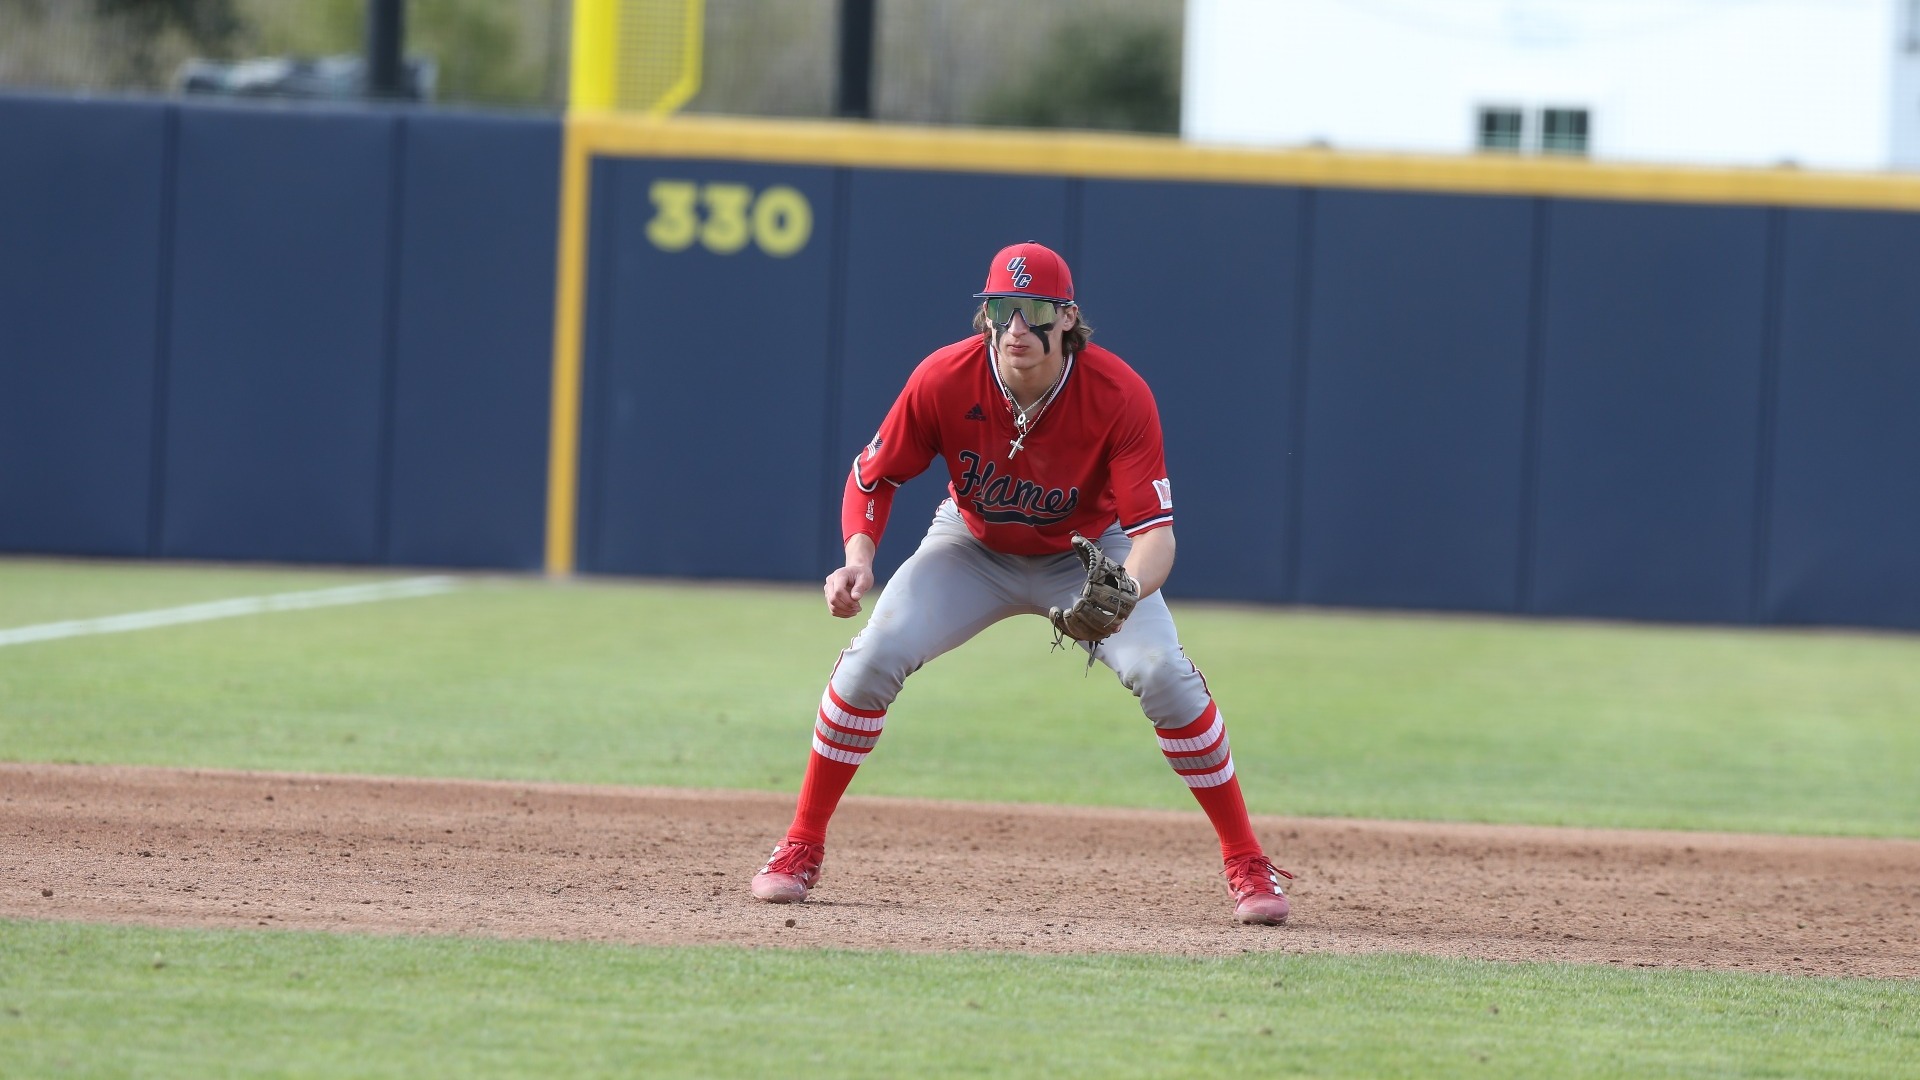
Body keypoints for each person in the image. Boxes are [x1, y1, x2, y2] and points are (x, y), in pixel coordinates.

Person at [749, 242, 1293, 925]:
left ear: (1067, 319)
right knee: (871, 658)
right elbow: (874, 475)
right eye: (1001, 310)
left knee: (1163, 673)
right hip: (974, 547)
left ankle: (1246, 860)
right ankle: (799, 845)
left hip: (1090, 554)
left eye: (1033, 311)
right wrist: (859, 557)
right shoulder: (944, 378)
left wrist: (1124, 588)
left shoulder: (1118, 395)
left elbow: (1157, 537)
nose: (1015, 329)